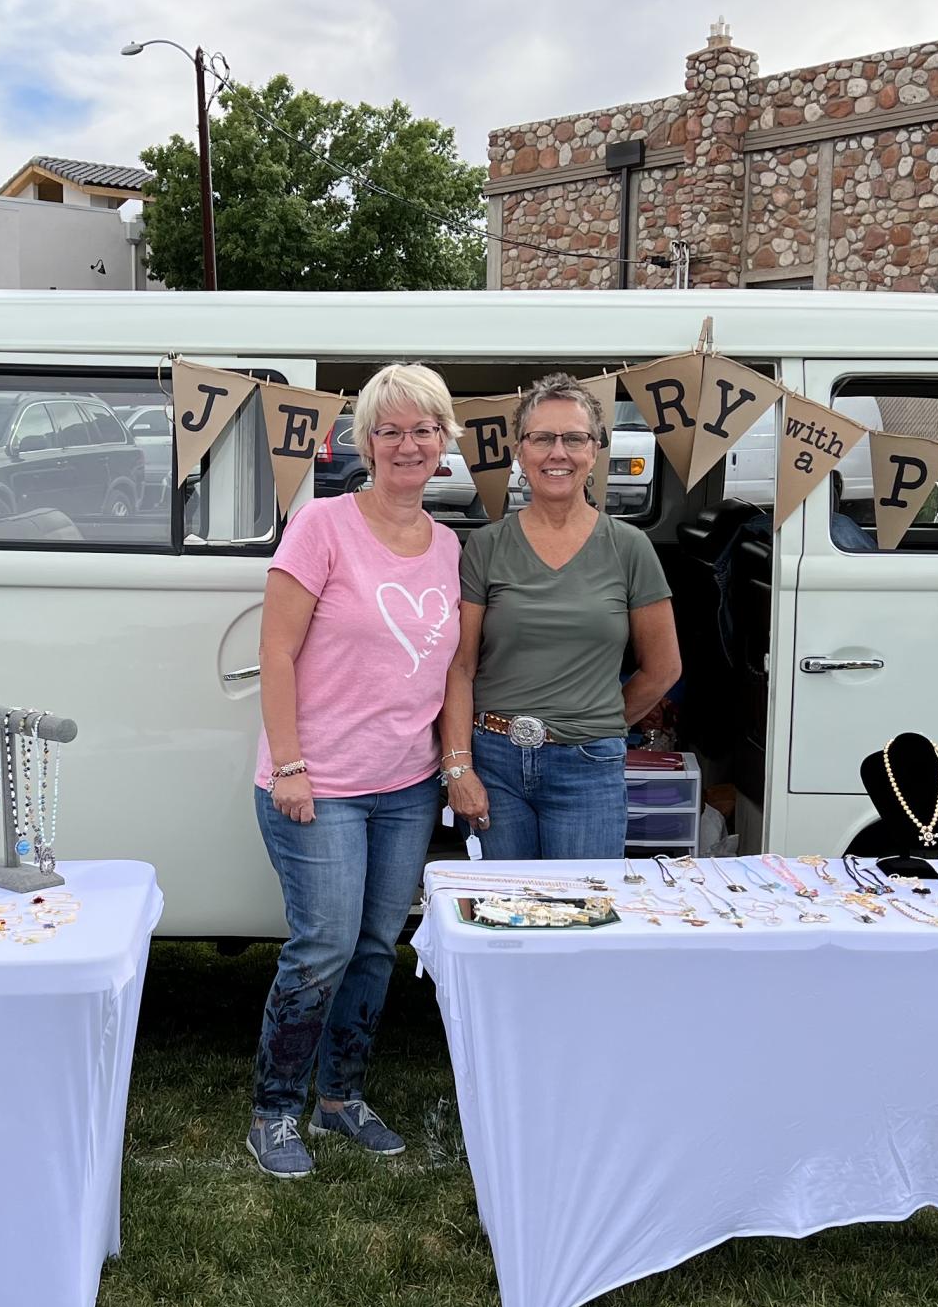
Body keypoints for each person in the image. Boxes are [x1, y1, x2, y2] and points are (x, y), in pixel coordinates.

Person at [248, 363, 475, 1179]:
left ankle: (340, 1099)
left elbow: (452, 668)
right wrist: (290, 765)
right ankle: (274, 1109)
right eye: (391, 430)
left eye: (424, 429)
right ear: (366, 443)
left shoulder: (450, 547)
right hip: (321, 780)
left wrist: (451, 765)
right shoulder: (322, 525)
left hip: (405, 784)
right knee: (322, 948)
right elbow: (274, 651)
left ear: (445, 442)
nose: (408, 444)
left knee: (378, 945)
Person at [442, 373, 680, 860]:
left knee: (583, 917)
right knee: (503, 920)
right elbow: (460, 667)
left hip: (588, 766)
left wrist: (599, 723)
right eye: (543, 438)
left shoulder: (629, 548)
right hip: (495, 761)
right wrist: (459, 767)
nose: (558, 452)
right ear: (519, 450)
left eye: (574, 438)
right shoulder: (485, 547)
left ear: (595, 451)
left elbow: (663, 669)